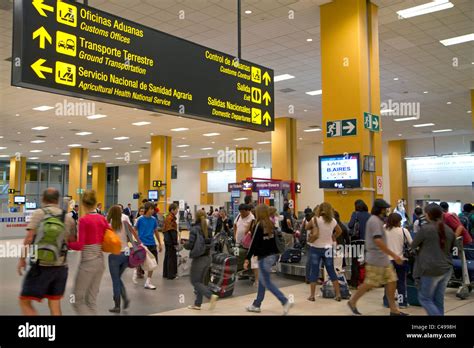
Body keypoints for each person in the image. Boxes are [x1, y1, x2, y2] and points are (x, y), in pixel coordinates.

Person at [18, 188, 76, 315]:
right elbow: (72, 240)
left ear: (43, 199)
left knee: (24, 301)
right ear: (58, 200)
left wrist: (22, 259)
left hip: (41, 266)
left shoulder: (39, 213)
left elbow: (28, 238)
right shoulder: (67, 218)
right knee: (54, 304)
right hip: (61, 267)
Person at [347, 199, 407, 316]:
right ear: (380, 209)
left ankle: (393, 310)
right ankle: (352, 301)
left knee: (392, 281)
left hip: (382, 258)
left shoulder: (378, 221)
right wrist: (394, 255)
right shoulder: (374, 221)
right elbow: (378, 240)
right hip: (376, 259)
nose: (387, 211)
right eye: (385, 209)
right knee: (369, 283)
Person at [245, 204, 293, 315]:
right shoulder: (271, 224)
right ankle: (256, 304)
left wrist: (247, 258)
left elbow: (253, 244)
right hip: (272, 256)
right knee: (263, 281)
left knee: (266, 282)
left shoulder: (259, 225)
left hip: (264, 257)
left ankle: (285, 301)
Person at [68, 190, 109, 315]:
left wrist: (67, 243)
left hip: (88, 264)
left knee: (77, 300)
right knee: (91, 300)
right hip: (100, 262)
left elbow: (79, 245)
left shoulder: (84, 220)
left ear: (83, 204)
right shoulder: (102, 219)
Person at [411, 203, 455, 316]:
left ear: (428, 215)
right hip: (446, 269)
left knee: (425, 298)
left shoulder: (426, 229)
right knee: (438, 300)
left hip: (431, 269)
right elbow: (451, 248)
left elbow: (413, 245)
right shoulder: (449, 230)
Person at [305, 202, 343, 302]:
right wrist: (333, 237)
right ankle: (338, 294)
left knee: (314, 271)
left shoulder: (315, 219)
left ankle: (312, 296)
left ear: (320, 209)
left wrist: (314, 229)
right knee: (331, 271)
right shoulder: (333, 221)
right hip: (328, 248)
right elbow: (339, 231)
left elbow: (306, 227)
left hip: (315, 248)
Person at [107, 205, 139, 313]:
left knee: (115, 280)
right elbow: (131, 238)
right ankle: (125, 299)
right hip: (126, 253)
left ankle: (117, 305)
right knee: (118, 279)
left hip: (114, 255)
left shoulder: (109, 224)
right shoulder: (125, 222)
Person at [184, 210, 219, 310]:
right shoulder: (209, 229)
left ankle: (210, 296)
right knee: (200, 281)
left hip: (199, 259)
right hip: (208, 258)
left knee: (194, 281)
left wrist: (184, 244)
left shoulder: (194, 229)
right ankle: (197, 304)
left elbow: (190, 245)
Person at [383, 213, 412, 309]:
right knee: (401, 282)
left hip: (387, 260)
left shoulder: (384, 229)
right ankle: (402, 302)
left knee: (388, 282)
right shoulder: (404, 231)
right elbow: (411, 243)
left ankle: (387, 302)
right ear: (399, 221)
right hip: (401, 259)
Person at [134, 202, 162, 289]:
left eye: (153, 209)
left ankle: (148, 281)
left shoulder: (153, 219)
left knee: (153, 263)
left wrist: (160, 243)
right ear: (147, 209)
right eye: (151, 209)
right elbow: (134, 230)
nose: (152, 210)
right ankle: (136, 272)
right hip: (143, 244)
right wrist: (137, 241)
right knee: (140, 261)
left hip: (152, 243)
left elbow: (156, 231)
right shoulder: (140, 219)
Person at [347, 199, 371, 287]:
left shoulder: (355, 214)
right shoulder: (369, 215)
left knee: (355, 262)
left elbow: (350, 225)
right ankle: (366, 282)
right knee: (366, 262)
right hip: (367, 242)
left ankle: (355, 282)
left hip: (356, 241)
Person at [234, 204, 256, 280]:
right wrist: (235, 235)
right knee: (238, 255)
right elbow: (235, 225)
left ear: (248, 211)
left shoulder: (252, 217)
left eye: (243, 212)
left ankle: (250, 273)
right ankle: (243, 272)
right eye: (240, 212)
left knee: (248, 257)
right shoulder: (239, 216)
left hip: (247, 243)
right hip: (238, 241)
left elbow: (251, 230)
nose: (241, 213)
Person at [163, 203, 179, 280]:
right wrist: (175, 243)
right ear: (172, 210)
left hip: (167, 240)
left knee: (167, 257)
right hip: (170, 241)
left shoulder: (168, 217)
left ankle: (165, 273)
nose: (177, 211)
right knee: (171, 257)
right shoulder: (170, 218)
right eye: (176, 209)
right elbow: (172, 231)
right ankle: (171, 275)